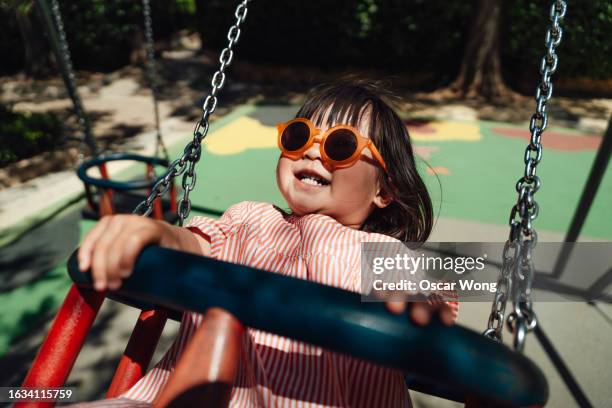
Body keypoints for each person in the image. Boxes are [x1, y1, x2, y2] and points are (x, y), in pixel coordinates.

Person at [73, 79, 458, 407]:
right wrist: (156, 232)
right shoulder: (249, 219)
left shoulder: (379, 252)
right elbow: (194, 247)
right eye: (299, 136)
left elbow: (445, 284)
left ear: (385, 190)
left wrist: (419, 297)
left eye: (340, 146)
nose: (311, 150)